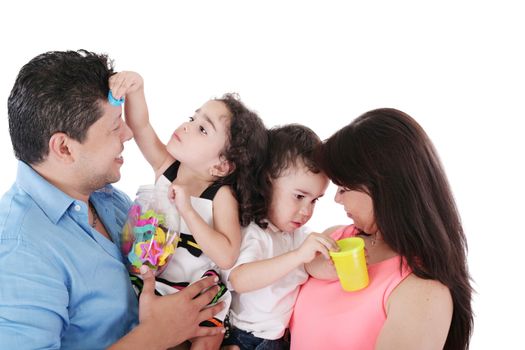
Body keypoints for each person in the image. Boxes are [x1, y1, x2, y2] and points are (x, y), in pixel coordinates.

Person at [0, 50, 225, 350]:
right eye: (115, 126)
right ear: (64, 148)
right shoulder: (19, 248)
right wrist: (157, 335)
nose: (130, 133)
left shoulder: (106, 198)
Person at [289, 108, 474, 349]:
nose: (337, 199)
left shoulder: (423, 291)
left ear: (383, 190)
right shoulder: (333, 238)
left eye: (344, 188)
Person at [109, 71, 268, 349]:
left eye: (202, 129)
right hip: (149, 281)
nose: (187, 126)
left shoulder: (220, 196)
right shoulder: (166, 167)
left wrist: (188, 211)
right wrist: (136, 88)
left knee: (210, 331)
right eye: (193, 118)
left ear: (220, 166)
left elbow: (227, 254)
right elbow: (141, 125)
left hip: (192, 289)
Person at [221, 124, 338, 350]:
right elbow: (239, 280)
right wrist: (297, 256)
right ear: (267, 182)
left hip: (281, 339)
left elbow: (310, 266)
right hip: (248, 339)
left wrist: (334, 267)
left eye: (314, 200)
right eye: (299, 196)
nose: (307, 211)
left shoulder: (296, 234)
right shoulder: (253, 231)